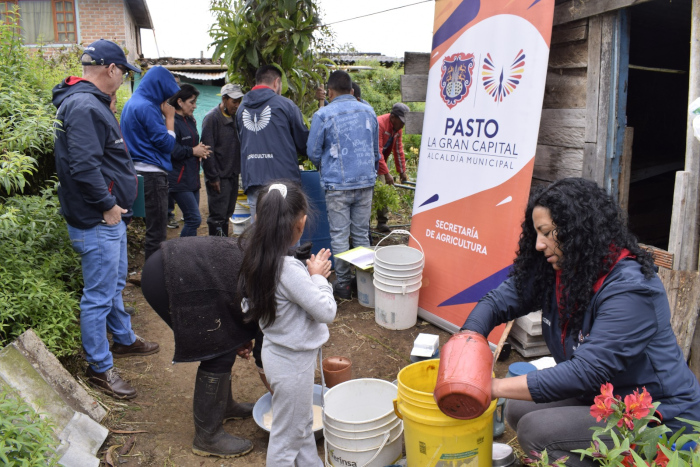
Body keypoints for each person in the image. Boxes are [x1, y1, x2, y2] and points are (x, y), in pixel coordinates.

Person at [461, 178, 700, 466]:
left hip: (658, 418)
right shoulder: (563, 269)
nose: (538, 244)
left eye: (547, 233)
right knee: (517, 409)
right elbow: (497, 302)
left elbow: (587, 370)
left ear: (577, 230)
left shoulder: (631, 289)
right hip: (604, 395)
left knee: (537, 431)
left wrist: (492, 387)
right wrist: (467, 340)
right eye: (536, 233)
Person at [52, 39, 159, 400]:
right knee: (98, 296)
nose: (123, 79)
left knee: (113, 284)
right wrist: (107, 205)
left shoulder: (88, 103)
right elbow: (83, 166)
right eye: (123, 72)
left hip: (106, 218)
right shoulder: (83, 105)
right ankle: (100, 367)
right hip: (97, 219)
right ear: (111, 69)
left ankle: (124, 339)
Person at [239, 181, 336, 466]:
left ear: (259, 219)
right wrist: (318, 277)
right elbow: (326, 311)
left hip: (278, 354)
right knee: (285, 439)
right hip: (292, 364)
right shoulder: (288, 270)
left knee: (301, 426)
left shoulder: (257, 259)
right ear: (301, 223)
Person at [140, 237, 257, 458]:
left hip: (188, 273)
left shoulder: (271, 259)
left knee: (226, 340)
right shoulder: (274, 274)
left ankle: (224, 407)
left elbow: (236, 305)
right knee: (217, 349)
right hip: (168, 276)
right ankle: (207, 437)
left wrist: (240, 336)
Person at [307, 70, 379, 300]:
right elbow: (376, 151)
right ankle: (365, 283)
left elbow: (313, 152)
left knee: (339, 235)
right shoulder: (369, 111)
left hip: (337, 184)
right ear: (351, 90)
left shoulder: (323, 115)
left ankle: (344, 286)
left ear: (329, 91)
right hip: (365, 181)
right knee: (361, 234)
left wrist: (328, 166)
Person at [120, 65, 180, 260]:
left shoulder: (131, 104)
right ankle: (154, 280)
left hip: (136, 172)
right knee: (157, 230)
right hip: (153, 175)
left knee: (151, 228)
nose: (166, 101)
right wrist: (169, 119)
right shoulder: (147, 107)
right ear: (158, 88)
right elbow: (166, 144)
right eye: (165, 94)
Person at [236, 65, 309, 222]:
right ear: (276, 82)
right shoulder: (286, 105)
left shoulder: (241, 109)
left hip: (254, 180)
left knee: (260, 235)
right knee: (288, 233)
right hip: (284, 182)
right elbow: (303, 144)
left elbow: (241, 142)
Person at [201, 83, 244, 236]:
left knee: (227, 214)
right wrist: (213, 177)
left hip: (232, 174)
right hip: (219, 177)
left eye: (239, 101)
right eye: (234, 101)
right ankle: (216, 251)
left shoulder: (236, 118)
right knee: (217, 218)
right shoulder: (212, 118)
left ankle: (223, 247)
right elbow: (207, 151)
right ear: (224, 99)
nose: (237, 105)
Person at [167, 84, 210, 237]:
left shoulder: (190, 120)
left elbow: (191, 146)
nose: (194, 106)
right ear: (180, 102)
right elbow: (172, 150)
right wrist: (193, 151)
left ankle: (187, 253)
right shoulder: (172, 122)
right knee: (194, 219)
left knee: (192, 219)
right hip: (178, 179)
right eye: (191, 102)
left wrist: (200, 150)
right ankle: (180, 254)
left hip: (192, 178)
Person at [375, 102, 410, 232]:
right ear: (393, 117)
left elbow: (398, 150)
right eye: (401, 121)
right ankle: (365, 224)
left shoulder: (397, 130)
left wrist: (402, 172)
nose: (402, 125)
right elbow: (377, 151)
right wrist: (387, 173)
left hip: (380, 159)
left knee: (383, 188)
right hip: (370, 159)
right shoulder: (379, 124)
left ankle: (382, 221)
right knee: (379, 186)